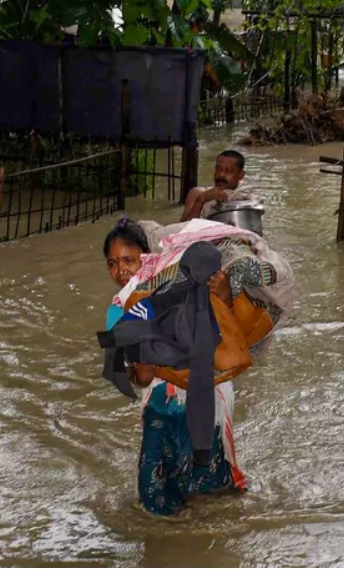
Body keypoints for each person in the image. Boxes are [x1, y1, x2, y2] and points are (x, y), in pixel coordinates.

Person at [102, 217, 246, 515]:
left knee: (211, 488)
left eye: (129, 260)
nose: (121, 270)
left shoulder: (191, 283)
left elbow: (235, 335)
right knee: (155, 487)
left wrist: (224, 295)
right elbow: (138, 377)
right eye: (112, 263)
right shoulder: (119, 308)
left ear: (148, 256)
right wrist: (143, 369)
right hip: (161, 399)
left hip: (210, 393)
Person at [180, 150, 258, 222]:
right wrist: (200, 201)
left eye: (228, 171)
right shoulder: (197, 194)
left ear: (241, 175)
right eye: (218, 169)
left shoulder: (247, 196)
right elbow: (182, 232)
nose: (221, 175)